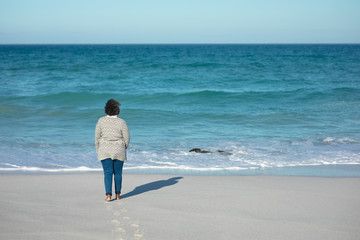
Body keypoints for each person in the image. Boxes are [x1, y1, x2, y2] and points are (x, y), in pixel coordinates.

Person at [95, 99, 130, 202]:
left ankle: (108, 196)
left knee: (108, 173)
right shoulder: (121, 122)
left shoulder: (101, 121)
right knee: (118, 173)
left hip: (104, 150)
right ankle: (118, 195)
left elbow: (97, 137)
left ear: (106, 110)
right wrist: (124, 148)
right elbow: (127, 138)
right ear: (117, 111)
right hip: (119, 149)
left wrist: (98, 149)